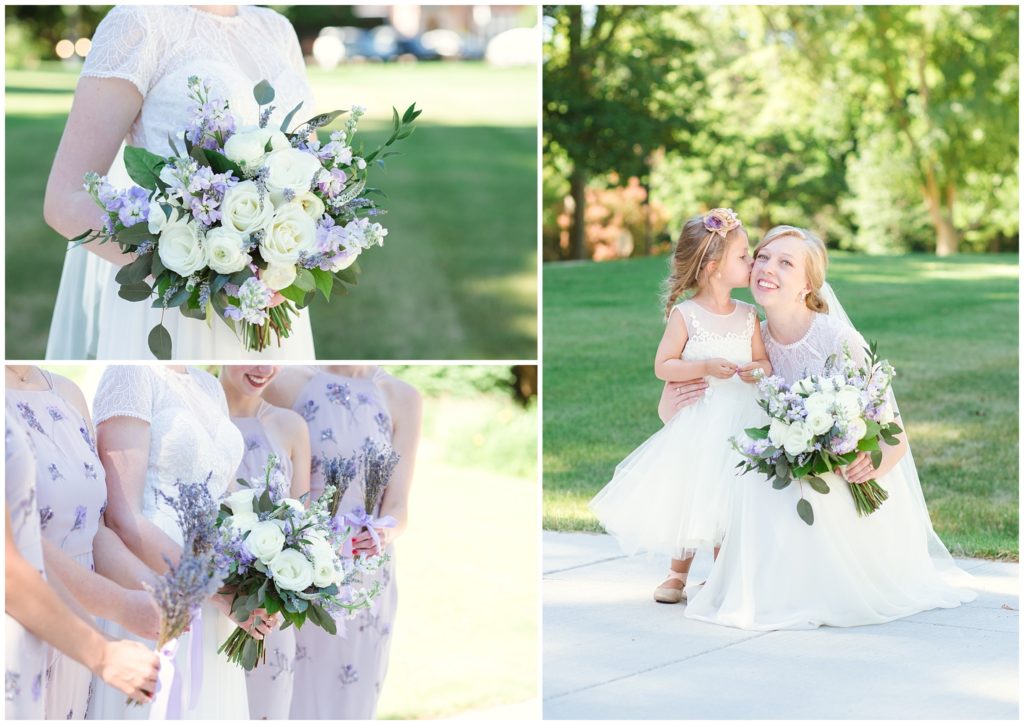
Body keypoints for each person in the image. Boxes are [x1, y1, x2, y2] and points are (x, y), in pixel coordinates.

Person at [684, 225, 976, 629]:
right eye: (763, 257)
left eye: (785, 263)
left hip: (838, 474)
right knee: (750, 473)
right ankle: (749, 579)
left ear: (807, 285)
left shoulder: (839, 339)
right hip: (781, 467)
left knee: (794, 487)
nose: (767, 268)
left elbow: (894, 435)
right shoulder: (750, 338)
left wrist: (871, 465)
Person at [43, 4, 315, 359]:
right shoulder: (138, 21)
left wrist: (291, 248)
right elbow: (66, 200)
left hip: (272, 299)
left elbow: (306, 162)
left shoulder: (278, 29)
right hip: (177, 306)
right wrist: (202, 266)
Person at [589, 209, 771, 604]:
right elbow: (663, 365)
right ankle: (676, 575)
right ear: (713, 268)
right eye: (743, 256)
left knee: (728, 500)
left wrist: (751, 373)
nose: (753, 262)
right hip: (701, 422)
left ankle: (723, 576)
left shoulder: (748, 316)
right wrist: (703, 367)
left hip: (740, 421)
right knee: (693, 495)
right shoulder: (687, 315)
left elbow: (764, 363)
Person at [90, 365, 276, 718]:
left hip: (217, 595)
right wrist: (217, 592)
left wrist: (260, 578)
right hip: (153, 588)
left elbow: (223, 497)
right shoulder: (130, 373)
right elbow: (122, 517)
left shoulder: (208, 384)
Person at [6, 366, 162, 718]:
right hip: (22, 627)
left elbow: (94, 530)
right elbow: (16, 546)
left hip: (82, 636)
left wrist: (161, 594)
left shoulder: (67, 393)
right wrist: (118, 611)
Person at [265, 365, 421, 719]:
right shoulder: (285, 383)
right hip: (297, 570)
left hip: (364, 579)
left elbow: (398, 506)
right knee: (288, 695)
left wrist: (384, 532)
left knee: (350, 704)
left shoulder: (402, 397)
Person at [220, 365, 310, 720]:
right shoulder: (194, 413)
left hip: (268, 611)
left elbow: (305, 526)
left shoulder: (291, 427)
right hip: (212, 598)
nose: (263, 369)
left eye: (275, 359)